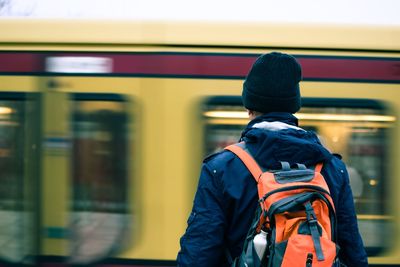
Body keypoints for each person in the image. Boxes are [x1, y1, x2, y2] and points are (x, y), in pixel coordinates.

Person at [176, 52, 368, 267]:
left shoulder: (221, 168)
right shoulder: (333, 169)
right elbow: (353, 255)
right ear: (294, 105)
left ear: (249, 107)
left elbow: (199, 255)